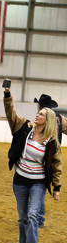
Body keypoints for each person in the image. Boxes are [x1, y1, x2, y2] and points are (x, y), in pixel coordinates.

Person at [4, 85, 62, 243]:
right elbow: (10, 114)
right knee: (22, 217)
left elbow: (56, 164)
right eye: (38, 113)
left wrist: (56, 186)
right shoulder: (24, 128)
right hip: (20, 180)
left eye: (41, 114)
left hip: (38, 183)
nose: (37, 115)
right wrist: (7, 95)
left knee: (32, 215)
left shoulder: (51, 141)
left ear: (48, 120)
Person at [34, 94, 67, 228]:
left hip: (43, 154)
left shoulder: (42, 118)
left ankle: (39, 218)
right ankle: (39, 217)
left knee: (40, 184)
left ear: (40, 106)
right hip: (55, 154)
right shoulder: (60, 118)